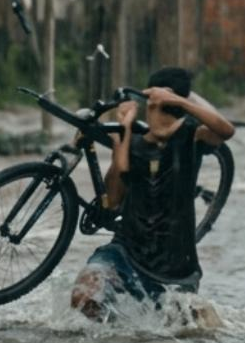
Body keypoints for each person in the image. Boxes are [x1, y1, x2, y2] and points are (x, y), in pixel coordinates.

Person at [70, 66, 235, 321]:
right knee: (84, 296)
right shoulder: (133, 141)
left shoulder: (191, 136)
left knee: (197, 331)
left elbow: (226, 130)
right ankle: (117, 338)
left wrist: (181, 99)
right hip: (126, 253)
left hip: (176, 271)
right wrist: (122, 137)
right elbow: (113, 200)